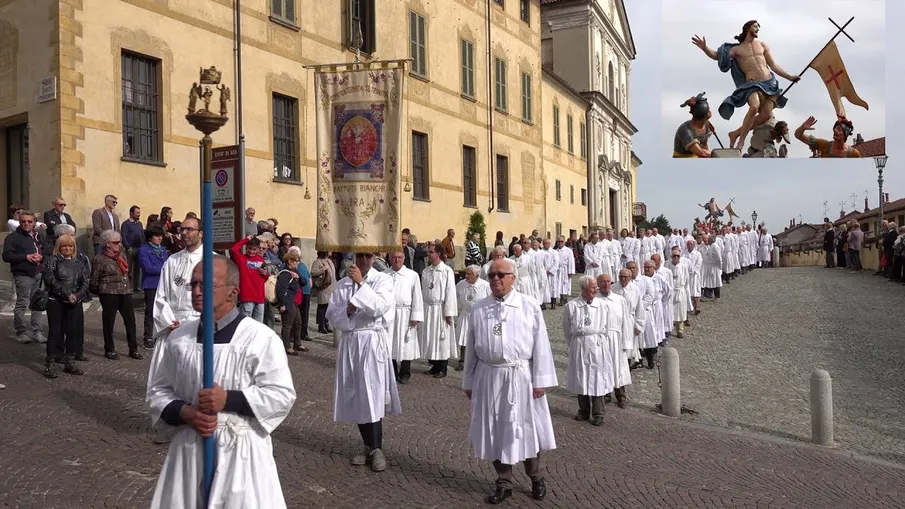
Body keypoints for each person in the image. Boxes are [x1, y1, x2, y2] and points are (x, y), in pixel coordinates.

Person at [146, 255, 296, 508]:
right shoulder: (179, 339)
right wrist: (185, 413)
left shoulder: (260, 338)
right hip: (190, 450)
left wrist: (229, 399)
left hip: (241, 454)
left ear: (232, 292)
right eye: (192, 284)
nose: (195, 291)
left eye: (205, 285)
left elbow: (281, 395)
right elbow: (158, 391)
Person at [463, 258, 556, 504]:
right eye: (492, 275)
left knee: (524, 429)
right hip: (488, 376)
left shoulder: (529, 306)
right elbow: (471, 347)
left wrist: (541, 380)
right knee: (494, 431)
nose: (496, 279)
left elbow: (541, 345)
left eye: (501, 274)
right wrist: (469, 381)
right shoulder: (479, 308)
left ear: (513, 277)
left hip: (520, 377)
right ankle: (503, 482)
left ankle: (536, 477)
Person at [327, 252, 400, 472]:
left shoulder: (383, 280)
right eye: (360, 256)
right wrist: (348, 309)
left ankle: (377, 447)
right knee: (357, 394)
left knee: (372, 393)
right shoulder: (342, 283)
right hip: (351, 341)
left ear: (373, 258)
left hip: (371, 341)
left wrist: (360, 284)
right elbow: (332, 315)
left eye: (368, 257)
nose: (363, 261)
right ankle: (368, 445)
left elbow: (379, 307)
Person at [691, 20, 800, 150]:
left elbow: (774, 65)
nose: (758, 29)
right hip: (752, 85)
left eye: (758, 27)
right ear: (748, 28)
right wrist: (705, 48)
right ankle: (741, 142)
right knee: (754, 107)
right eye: (755, 26)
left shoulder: (762, 45)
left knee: (767, 115)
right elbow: (717, 56)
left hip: (770, 84)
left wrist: (790, 77)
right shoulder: (737, 49)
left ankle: (735, 133)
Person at [562, 275, 611, 426]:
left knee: (597, 379)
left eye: (596, 287)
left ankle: (599, 413)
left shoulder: (602, 305)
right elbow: (567, 328)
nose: (596, 290)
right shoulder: (571, 306)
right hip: (580, 343)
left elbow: (606, 326)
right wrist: (575, 343)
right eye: (592, 287)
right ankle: (583, 410)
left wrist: (600, 342)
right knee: (581, 378)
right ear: (583, 288)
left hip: (596, 344)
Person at [42, 234, 90, 378]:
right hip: (56, 301)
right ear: (59, 247)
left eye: (70, 246)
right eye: (64, 246)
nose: (67, 248)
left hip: (74, 302)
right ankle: (49, 364)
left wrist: (77, 296)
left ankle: (70, 362)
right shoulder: (52, 261)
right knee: (55, 332)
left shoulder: (78, 262)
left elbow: (84, 282)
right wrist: (66, 294)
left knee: (72, 332)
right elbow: (50, 280)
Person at [90, 230, 142, 360]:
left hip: (124, 292)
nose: (119, 245)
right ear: (107, 244)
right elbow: (94, 279)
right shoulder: (99, 259)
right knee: (109, 322)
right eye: (116, 242)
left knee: (130, 321)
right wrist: (100, 291)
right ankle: (109, 349)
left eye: (119, 242)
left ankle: (133, 349)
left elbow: (127, 273)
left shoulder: (122, 256)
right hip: (109, 293)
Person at [2, 210, 46, 344]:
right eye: (23, 221)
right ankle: (21, 332)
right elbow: (6, 256)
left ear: (34, 223)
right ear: (20, 222)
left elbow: (47, 251)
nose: (26, 224)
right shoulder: (13, 237)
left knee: (38, 303)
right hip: (23, 275)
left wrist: (42, 258)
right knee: (22, 303)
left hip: (39, 273)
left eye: (29, 221)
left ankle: (37, 331)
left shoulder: (39, 236)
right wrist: (25, 257)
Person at [419, 243, 458, 379]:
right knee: (430, 337)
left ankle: (443, 367)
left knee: (442, 338)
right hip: (428, 308)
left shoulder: (446, 271)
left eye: (431, 252)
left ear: (439, 254)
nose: (428, 254)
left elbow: (450, 292)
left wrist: (449, 313)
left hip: (440, 309)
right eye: (428, 252)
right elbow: (423, 291)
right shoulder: (426, 271)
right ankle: (434, 364)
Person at [385, 250, 423, 384]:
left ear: (404, 258)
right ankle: (392, 370)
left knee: (407, 344)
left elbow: (417, 296)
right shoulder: (384, 275)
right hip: (389, 314)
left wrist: (416, 315)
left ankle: (405, 372)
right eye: (394, 257)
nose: (397, 260)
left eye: (400, 257)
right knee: (390, 342)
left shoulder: (412, 275)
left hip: (406, 313)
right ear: (389, 258)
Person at [596, 273, 633, 409]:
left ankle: (620, 396)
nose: (606, 284)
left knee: (619, 367)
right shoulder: (595, 300)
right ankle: (605, 393)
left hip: (616, 339)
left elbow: (626, 322)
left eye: (608, 282)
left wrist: (627, 343)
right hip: (600, 339)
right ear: (598, 284)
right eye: (603, 282)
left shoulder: (619, 300)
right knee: (602, 367)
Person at [454, 265, 490, 372]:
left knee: (479, 339)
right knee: (464, 338)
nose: (466, 276)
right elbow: (454, 296)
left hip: (480, 316)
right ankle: (463, 361)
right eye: (466, 273)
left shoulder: (485, 286)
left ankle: (479, 361)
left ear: (477, 275)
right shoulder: (461, 284)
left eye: (470, 274)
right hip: (466, 314)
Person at [138, 225, 169, 349]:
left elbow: (168, 264)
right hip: (151, 284)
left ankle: (160, 333)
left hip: (163, 283)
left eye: (161, 236)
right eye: (157, 236)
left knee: (162, 310)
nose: (160, 238)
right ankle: (148, 336)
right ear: (150, 237)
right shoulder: (143, 249)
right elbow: (147, 268)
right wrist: (164, 269)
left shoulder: (162, 250)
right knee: (150, 311)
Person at [275, 249, 308, 355]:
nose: (298, 262)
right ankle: (287, 346)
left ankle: (297, 343)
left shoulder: (295, 271)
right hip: (289, 302)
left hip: (296, 303)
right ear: (290, 261)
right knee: (287, 325)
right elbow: (281, 290)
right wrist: (283, 304)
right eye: (296, 260)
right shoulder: (285, 273)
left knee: (298, 323)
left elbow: (304, 282)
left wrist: (298, 277)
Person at [229, 235, 268, 322]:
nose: (251, 251)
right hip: (247, 297)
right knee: (246, 323)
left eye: (254, 249)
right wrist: (246, 239)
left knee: (258, 326)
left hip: (260, 297)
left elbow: (264, 279)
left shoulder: (261, 260)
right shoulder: (241, 258)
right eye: (250, 248)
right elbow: (234, 249)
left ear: (258, 249)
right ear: (246, 247)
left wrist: (266, 274)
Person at [673, 93, 715, 158]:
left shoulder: (706, 124)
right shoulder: (685, 130)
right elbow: (701, 153)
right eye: (708, 109)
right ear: (703, 111)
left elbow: (704, 145)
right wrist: (719, 154)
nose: (710, 110)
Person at [310, 251, 336, 334]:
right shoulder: (317, 262)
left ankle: (326, 323)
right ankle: (321, 325)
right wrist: (323, 269)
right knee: (322, 306)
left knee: (328, 307)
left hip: (331, 287)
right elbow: (313, 272)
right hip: (323, 287)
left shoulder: (330, 261)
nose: (331, 251)